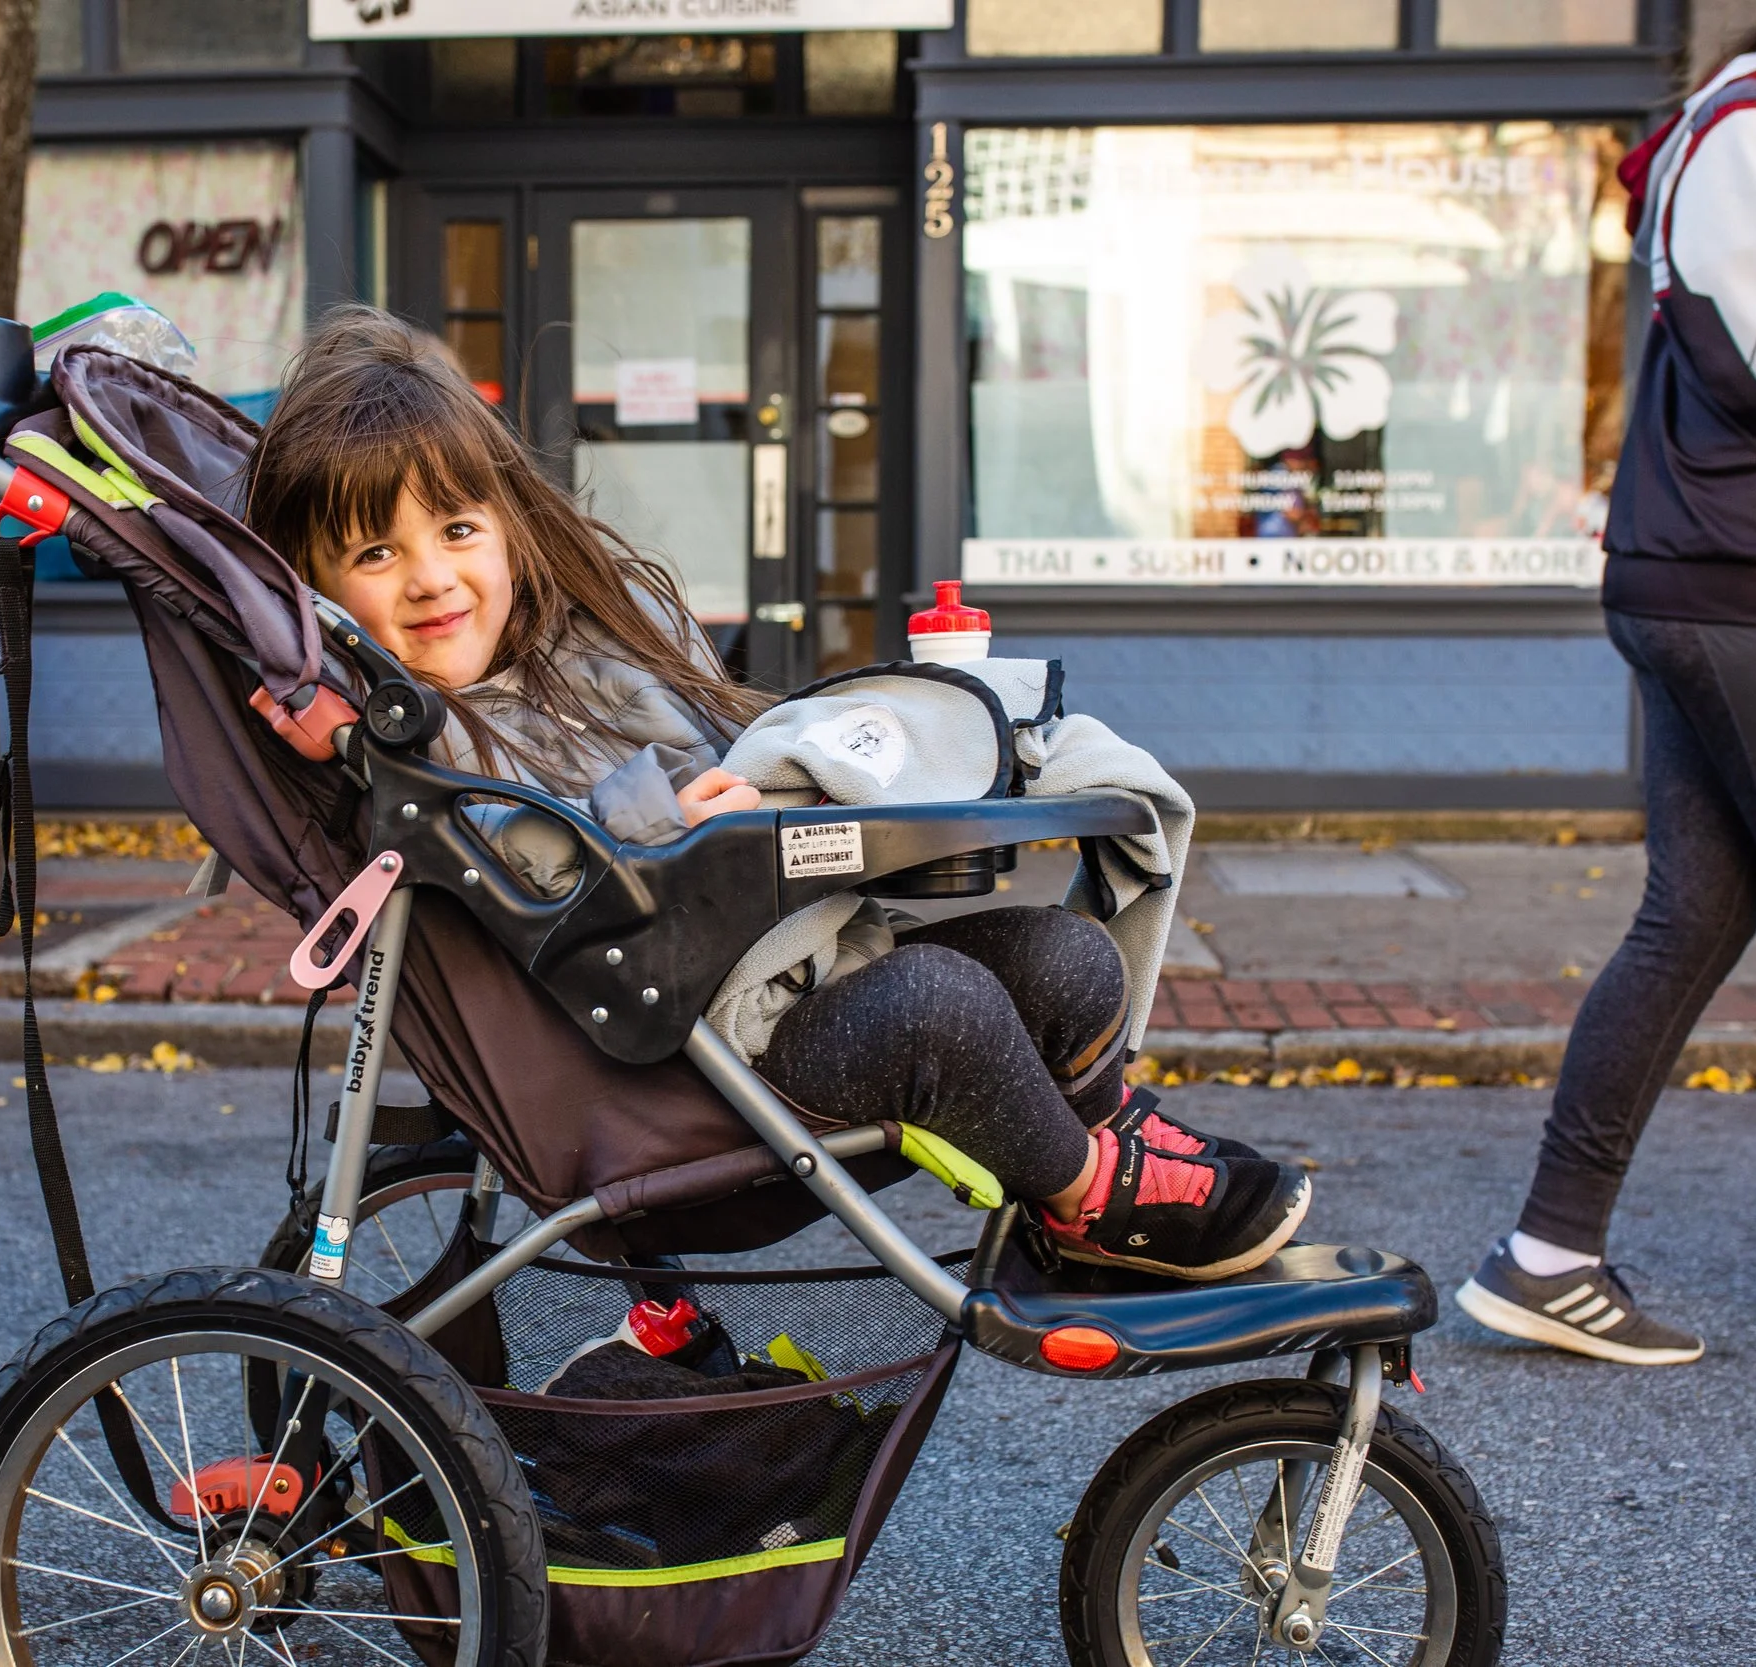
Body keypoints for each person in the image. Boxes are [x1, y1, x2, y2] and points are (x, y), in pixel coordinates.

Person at [243, 307, 1312, 1280]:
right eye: (376, 552)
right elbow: (523, 851)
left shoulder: (573, 664)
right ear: (321, 597)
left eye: (457, 530)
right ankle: (1089, 1197)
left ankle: (1086, 1155)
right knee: (939, 1009)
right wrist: (364, 740)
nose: (430, 575)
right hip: (681, 1073)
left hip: (787, 983)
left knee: (1061, 957)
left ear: (511, 529)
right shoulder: (429, 751)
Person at [1457, 0, 1756, 1376]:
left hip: (1712, 575)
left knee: (1695, 914)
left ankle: (1548, 1252)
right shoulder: (1749, 127)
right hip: (1752, 582)